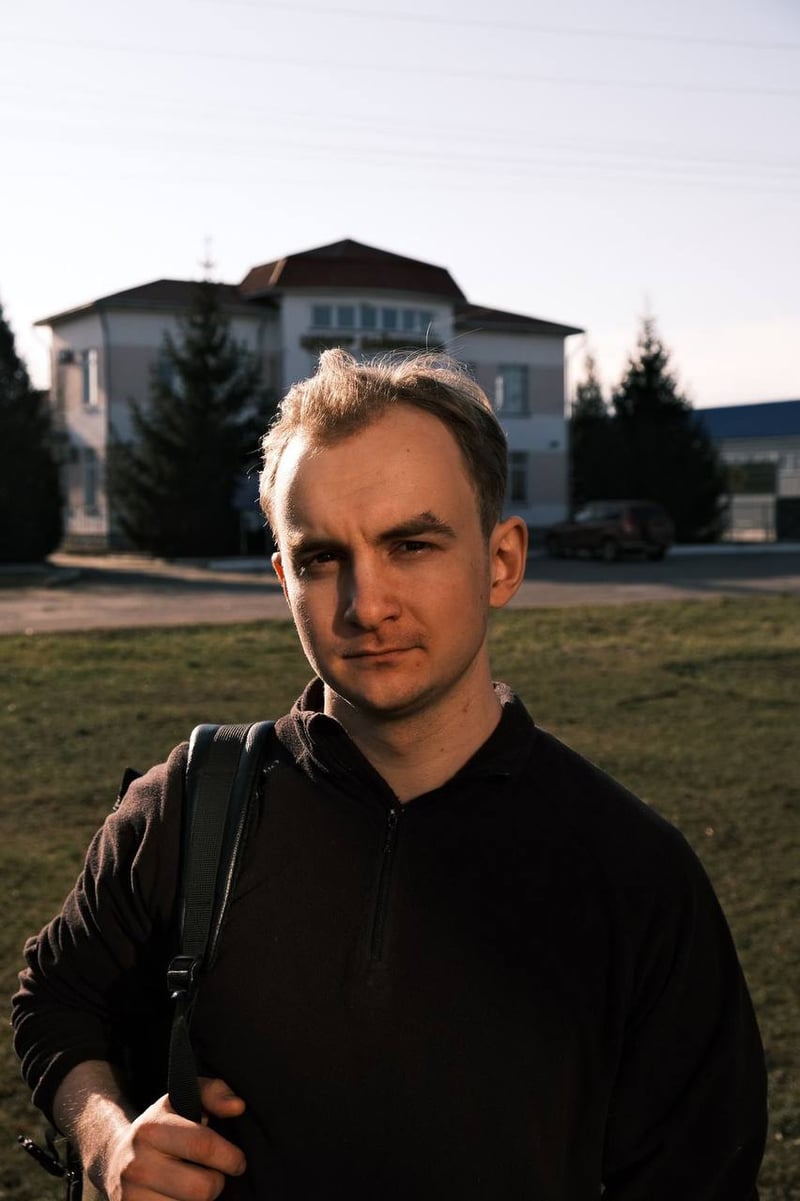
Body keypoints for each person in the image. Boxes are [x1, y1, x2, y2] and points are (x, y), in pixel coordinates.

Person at [13, 349, 767, 1200]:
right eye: (321, 557)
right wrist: (107, 1138)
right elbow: (55, 997)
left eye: (411, 544)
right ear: (283, 579)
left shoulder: (636, 875)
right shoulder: (190, 805)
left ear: (502, 560)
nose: (365, 605)